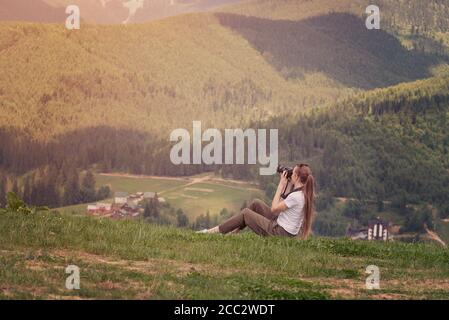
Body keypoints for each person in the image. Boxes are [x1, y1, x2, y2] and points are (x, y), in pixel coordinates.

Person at [197, 164, 315, 239]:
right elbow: (283, 200)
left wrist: (281, 184)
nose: (291, 174)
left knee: (246, 213)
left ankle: (212, 232)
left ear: (297, 177)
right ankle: (232, 234)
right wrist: (288, 184)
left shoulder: (297, 196)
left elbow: (274, 209)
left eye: (293, 173)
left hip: (280, 233)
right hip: (282, 227)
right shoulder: (301, 192)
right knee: (256, 203)